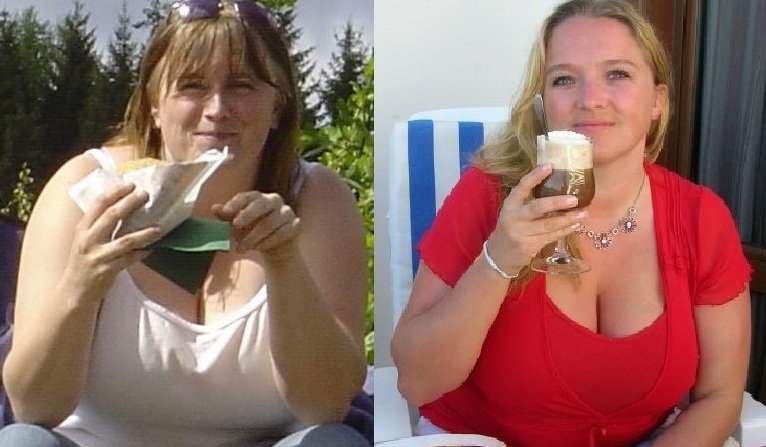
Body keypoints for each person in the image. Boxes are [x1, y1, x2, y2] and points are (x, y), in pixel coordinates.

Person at [0, 1, 369, 446]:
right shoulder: (84, 190)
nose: (218, 109)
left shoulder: (316, 197)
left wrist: (286, 264)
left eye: (242, 86)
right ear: (155, 105)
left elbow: (326, 406)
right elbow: (32, 406)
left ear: (278, 107)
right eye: (192, 86)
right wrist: (81, 286)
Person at [391, 0, 752, 446]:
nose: (590, 99)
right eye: (564, 79)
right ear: (543, 104)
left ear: (658, 100)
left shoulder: (701, 219)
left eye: (617, 73)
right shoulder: (488, 196)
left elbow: (719, 396)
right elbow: (416, 382)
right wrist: (498, 260)